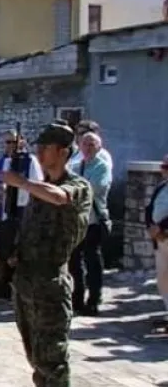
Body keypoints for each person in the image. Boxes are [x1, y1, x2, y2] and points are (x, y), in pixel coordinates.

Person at [1, 124, 91, 387]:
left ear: (64, 151)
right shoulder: (41, 188)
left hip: (51, 283)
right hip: (27, 280)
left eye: (47, 147)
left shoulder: (77, 185)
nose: (40, 152)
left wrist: (22, 183)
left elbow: (61, 198)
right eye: (39, 146)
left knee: (53, 358)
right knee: (36, 357)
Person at [0, 130, 43, 300]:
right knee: (1, 249)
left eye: (13, 142)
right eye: (7, 142)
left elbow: (37, 184)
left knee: (19, 250)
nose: (10, 145)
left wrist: (19, 187)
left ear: (21, 143)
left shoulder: (29, 161)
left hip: (22, 210)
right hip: (3, 212)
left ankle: (20, 286)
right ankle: (1, 285)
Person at [68, 132, 112, 316]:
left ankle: (94, 300)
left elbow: (95, 187)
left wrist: (74, 188)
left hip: (93, 221)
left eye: (92, 144)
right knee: (74, 262)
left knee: (92, 261)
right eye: (85, 144)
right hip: (76, 221)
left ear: (98, 147)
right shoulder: (75, 166)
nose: (88, 147)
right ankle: (76, 298)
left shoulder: (102, 166)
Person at [146, 156, 168, 335]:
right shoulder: (162, 186)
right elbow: (149, 209)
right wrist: (151, 228)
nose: (164, 170)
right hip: (160, 240)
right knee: (163, 278)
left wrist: (161, 227)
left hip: (165, 234)